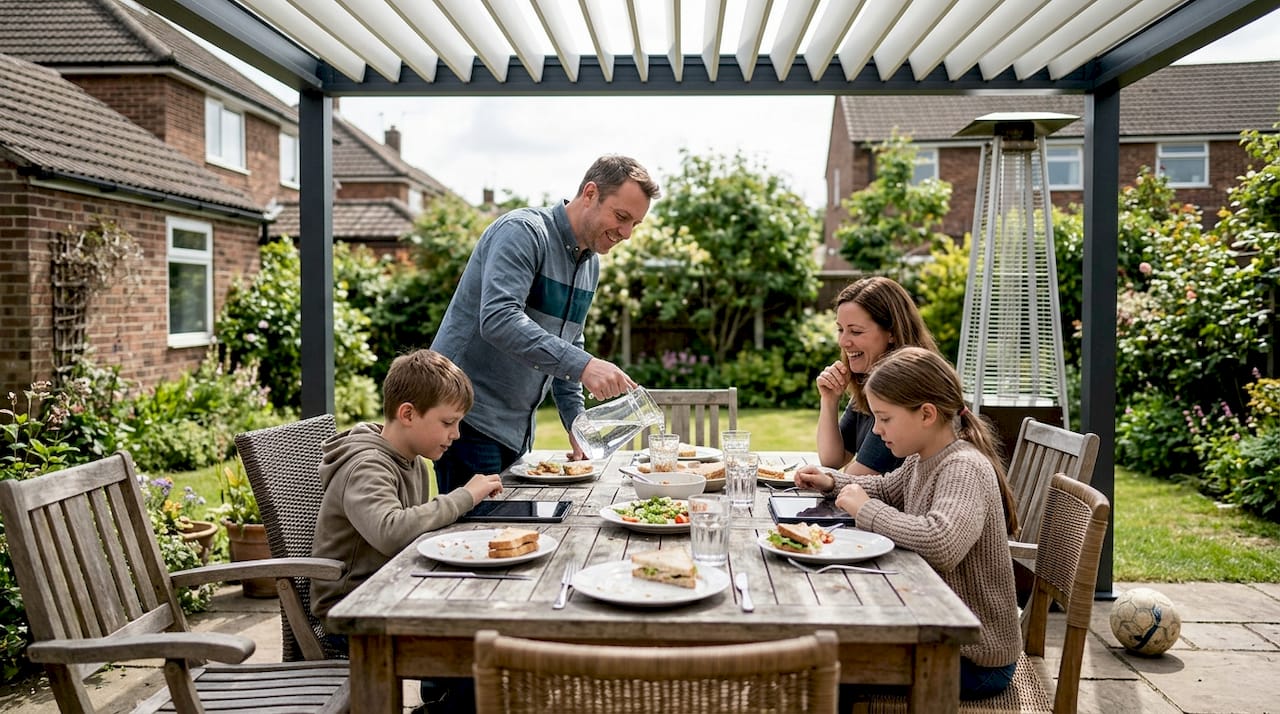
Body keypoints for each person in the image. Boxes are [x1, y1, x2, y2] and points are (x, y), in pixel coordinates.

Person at [797, 347, 1020, 701]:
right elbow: (885, 488)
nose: (878, 430)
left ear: (926, 414)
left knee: (827, 669)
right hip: (939, 631)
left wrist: (866, 510)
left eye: (885, 419)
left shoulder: (963, 467)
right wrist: (831, 482)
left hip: (973, 656)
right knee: (827, 659)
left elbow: (941, 542)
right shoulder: (925, 458)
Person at [431, 155, 661, 492]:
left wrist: (576, 425)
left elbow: (568, 345)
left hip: (516, 430)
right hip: (467, 419)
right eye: (621, 216)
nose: (626, 233)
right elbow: (498, 318)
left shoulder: (589, 264)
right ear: (590, 193)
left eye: (634, 224)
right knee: (476, 538)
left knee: (511, 537)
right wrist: (585, 367)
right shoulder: (523, 232)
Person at [309, 348, 503, 714]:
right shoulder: (366, 465)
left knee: (488, 628)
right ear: (408, 414)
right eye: (448, 423)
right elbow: (390, 530)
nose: (457, 434)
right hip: (354, 612)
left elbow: (415, 528)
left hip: (395, 592)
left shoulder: (412, 459)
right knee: (487, 654)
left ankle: (439, 699)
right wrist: (463, 497)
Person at [802, 276, 939, 479]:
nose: (843, 341)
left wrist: (831, 479)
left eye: (855, 331)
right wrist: (829, 400)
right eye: (841, 329)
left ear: (891, 333)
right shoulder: (869, 381)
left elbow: (857, 478)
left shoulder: (901, 388)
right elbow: (832, 460)